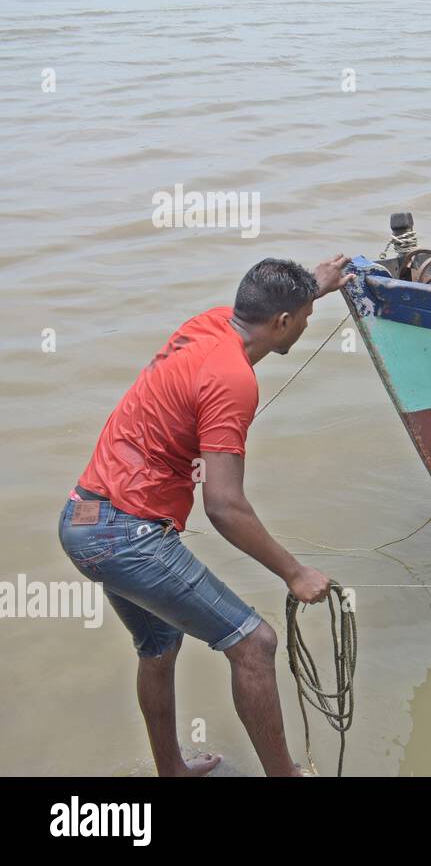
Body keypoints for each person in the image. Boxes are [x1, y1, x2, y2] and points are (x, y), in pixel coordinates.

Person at [58, 255, 355, 777]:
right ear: (283, 322)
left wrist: (315, 287)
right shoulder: (233, 380)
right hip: (128, 536)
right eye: (305, 318)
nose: (308, 326)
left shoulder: (209, 323)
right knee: (254, 643)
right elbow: (224, 506)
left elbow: (246, 342)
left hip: (84, 518)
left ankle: (170, 772)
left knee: (160, 646)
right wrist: (295, 572)